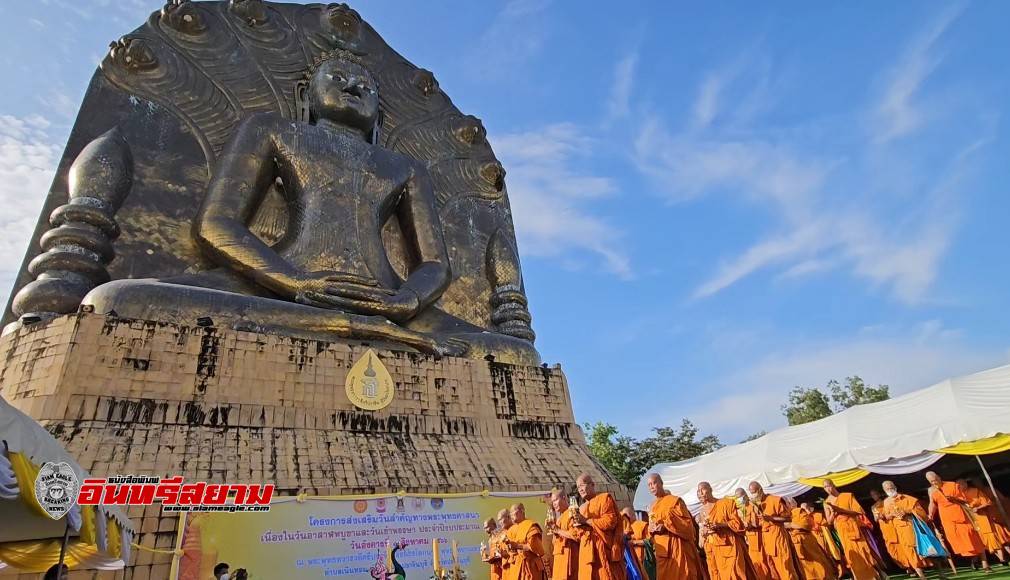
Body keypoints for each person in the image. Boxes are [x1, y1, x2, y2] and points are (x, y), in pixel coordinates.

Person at [880, 480, 946, 579]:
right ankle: (922, 577)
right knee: (911, 554)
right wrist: (892, 514)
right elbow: (887, 516)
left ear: (895, 487)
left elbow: (920, 511)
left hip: (917, 529)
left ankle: (941, 574)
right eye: (887, 489)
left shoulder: (908, 498)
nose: (890, 490)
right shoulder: (886, 502)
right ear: (884, 490)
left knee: (931, 551)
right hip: (902, 532)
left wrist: (906, 512)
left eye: (891, 487)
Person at [926, 471, 990, 572]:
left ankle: (985, 563)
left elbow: (965, 500)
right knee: (958, 540)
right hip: (947, 519)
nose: (934, 482)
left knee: (973, 537)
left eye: (935, 480)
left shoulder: (953, 485)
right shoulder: (932, 490)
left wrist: (954, 499)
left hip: (961, 515)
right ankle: (974, 560)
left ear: (939, 477)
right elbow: (932, 504)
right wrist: (930, 514)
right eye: (931, 481)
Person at [646, 474, 703, 580]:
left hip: (677, 547)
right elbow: (650, 528)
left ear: (661, 483)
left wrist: (666, 525)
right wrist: (652, 529)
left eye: (654, 483)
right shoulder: (652, 506)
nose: (652, 487)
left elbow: (687, 526)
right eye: (649, 485)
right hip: (662, 552)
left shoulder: (675, 501)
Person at [823, 479, 880, 580]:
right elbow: (829, 521)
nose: (828, 489)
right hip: (842, 530)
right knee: (852, 555)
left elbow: (858, 512)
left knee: (863, 551)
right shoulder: (826, 502)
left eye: (829, 486)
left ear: (833, 484)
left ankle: (875, 575)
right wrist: (833, 512)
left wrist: (840, 510)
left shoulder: (847, 496)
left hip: (853, 527)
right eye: (825, 487)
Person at [572, 473, 624, 580]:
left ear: (592, 485)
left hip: (603, 549)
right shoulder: (580, 508)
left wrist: (587, 521)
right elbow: (577, 535)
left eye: (582, 485)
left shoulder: (604, 499)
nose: (580, 489)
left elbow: (610, 522)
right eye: (578, 487)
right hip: (586, 553)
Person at [747, 481, 800, 580]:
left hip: (778, 538)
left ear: (760, 490)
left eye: (754, 492)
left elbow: (788, 518)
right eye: (751, 493)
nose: (753, 495)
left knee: (785, 568)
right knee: (773, 569)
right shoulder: (755, 505)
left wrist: (771, 519)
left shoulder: (775, 500)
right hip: (766, 541)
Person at [697, 481, 748, 580]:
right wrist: (704, 532)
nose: (700, 493)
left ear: (710, 489)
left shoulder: (725, 503)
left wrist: (721, 525)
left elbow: (738, 524)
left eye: (703, 489)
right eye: (698, 491)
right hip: (712, 549)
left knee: (734, 574)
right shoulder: (702, 511)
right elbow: (703, 531)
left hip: (729, 545)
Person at [784, 497, 837, 580]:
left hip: (807, 541)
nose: (784, 507)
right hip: (797, 544)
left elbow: (806, 525)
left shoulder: (799, 511)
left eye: (786, 504)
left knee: (818, 564)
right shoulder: (786, 515)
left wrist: (789, 525)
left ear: (791, 504)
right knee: (806, 569)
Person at [960, 478, 1010, 564]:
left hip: (991, 518)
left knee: (1000, 539)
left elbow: (995, 501)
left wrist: (978, 508)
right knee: (982, 542)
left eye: (962, 484)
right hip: (975, 521)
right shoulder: (959, 495)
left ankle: (1002, 559)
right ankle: (977, 561)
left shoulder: (980, 491)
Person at [735, 487, 771, 580]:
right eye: (737, 498)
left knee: (765, 563)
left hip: (761, 538)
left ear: (746, 495)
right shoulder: (741, 510)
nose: (740, 499)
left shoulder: (754, 505)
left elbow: (764, 521)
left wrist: (753, 525)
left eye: (741, 496)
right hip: (751, 542)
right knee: (756, 565)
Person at [505, 503, 546, 580]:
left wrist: (517, 546)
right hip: (516, 567)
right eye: (510, 513)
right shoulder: (511, 530)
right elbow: (509, 551)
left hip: (530, 566)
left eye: (513, 512)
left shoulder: (530, 526)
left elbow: (537, 549)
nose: (511, 515)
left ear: (521, 511)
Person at [546, 491, 580, 580]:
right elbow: (555, 542)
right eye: (553, 502)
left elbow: (575, 535)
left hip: (570, 557)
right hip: (559, 559)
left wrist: (558, 530)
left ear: (564, 498)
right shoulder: (559, 519)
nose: (554, 504)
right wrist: (555, 532)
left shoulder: (572, 513)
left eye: (556, 500)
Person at [869, 488, 903, 571]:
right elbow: (875, 519)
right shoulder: (873, 507)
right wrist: (878, 517)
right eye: (872, 495)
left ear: (879, 494)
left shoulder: (887, 502)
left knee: (901, 544)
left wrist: (887, 515)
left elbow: (894, 512)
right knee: (891, 548)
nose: (874, 496)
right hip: (884, 527)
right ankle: (902, 566)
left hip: (893, 524)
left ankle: (910, 566)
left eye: (875, 494)